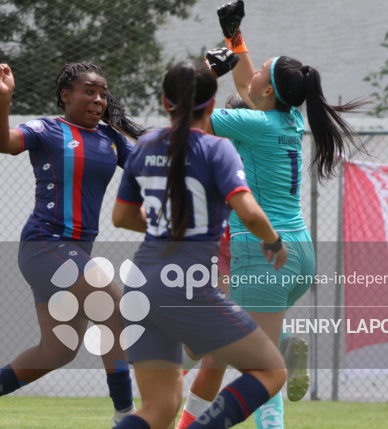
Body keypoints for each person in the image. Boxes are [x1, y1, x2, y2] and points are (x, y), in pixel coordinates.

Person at [176, 0, 367, 429]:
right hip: (298, 254)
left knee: (257, 368)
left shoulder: (255, 124)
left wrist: (207, 73)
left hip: (263, 253)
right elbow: (251, 89)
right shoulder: (287, 122)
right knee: (223, 349)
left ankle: (280, 345)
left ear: (267, 92)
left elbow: (191, 117)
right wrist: (235, 38)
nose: (253, 72)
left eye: (261, 68)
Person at [0, 62, 146, 429]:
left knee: (59, 349)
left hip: (73, 254)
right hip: (44, 245)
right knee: (113, 304)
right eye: (89, 91)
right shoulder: (49, 129)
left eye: (103, 93)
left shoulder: (111, 139)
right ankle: (124, 413)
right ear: (66, 95)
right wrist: (4, 98)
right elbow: (3, 143)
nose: (99, 99)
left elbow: (149, 168)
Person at [111, 60, 289, 429]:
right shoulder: (217, 149)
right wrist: (272, 241)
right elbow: (249, 212)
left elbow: (122, 218)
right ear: (211, 108)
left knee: (159, 409)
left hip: (141, 282)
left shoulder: (144, 146)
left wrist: (166, 227)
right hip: (187, 282)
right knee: (271, 370)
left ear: (164, 102)